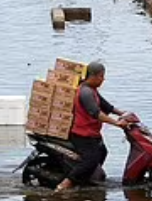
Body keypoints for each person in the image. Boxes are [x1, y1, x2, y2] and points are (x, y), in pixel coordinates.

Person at [55, 61, 131, 192]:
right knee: (90, 160)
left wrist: (122, 113)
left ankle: (87, 178)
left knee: (103, 152)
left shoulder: (92, 90)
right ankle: (64, 184)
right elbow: (96, 113)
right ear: (94, 76)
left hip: (92, 132)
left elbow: (105, 105)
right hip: (81, 134)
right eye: (101, 76)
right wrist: (116, 123)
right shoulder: (85, 92)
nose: (103, 79)